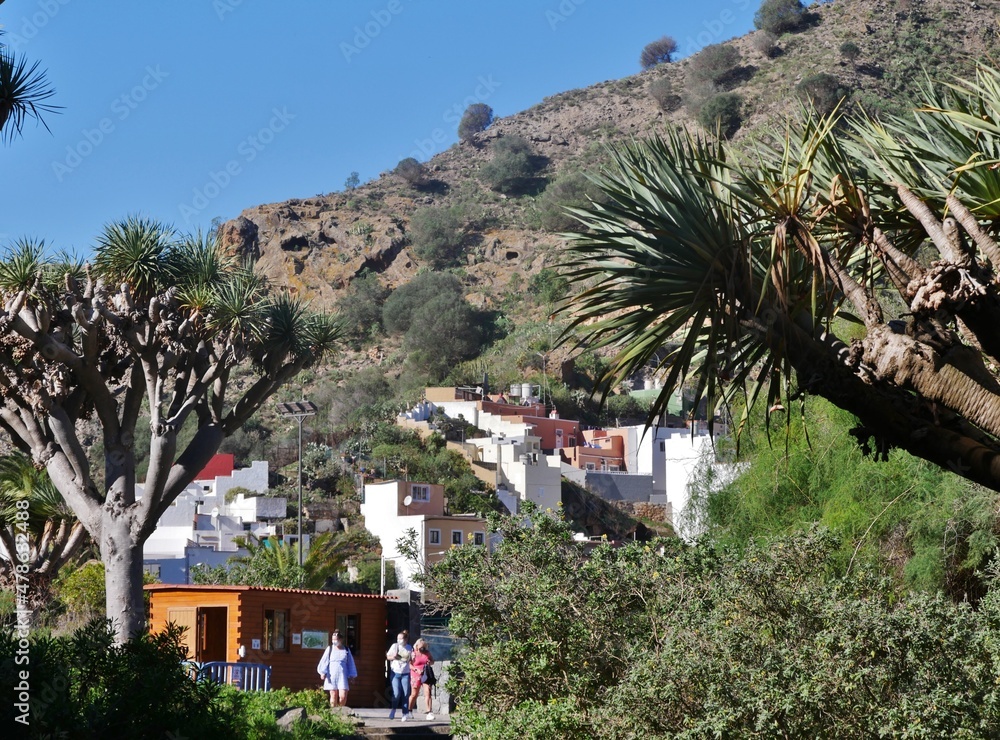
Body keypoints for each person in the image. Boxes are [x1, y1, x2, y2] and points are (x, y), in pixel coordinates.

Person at [317, 631, 357, 710]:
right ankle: (333, 712)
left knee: (343, 696)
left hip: (342, 675)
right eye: (333, 639)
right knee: (333, 694)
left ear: (341, 640)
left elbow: (350, 663)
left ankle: (340, 710)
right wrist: (322, 672)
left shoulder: (346, 650)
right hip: (331, 675)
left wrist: (352, 675)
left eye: (336, 639)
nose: (334, 641)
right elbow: (324, 660)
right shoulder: (330, 649)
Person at [385, 631, 413, 721]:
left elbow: (411, 660)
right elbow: (388, 656)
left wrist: (413, 658)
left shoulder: (409, 648)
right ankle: (393, 709)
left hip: (405, 673)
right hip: (395, 672)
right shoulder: (395, 646)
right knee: (396, 693)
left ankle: (405, 713)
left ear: (405, 639)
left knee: (405, 693)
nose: (399, 640)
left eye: (400, 638)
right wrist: (393, 657)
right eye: (398, 638)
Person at [408, 637, 436, 721]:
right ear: (416, 646)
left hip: (425, 674)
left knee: (428, 692)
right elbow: (409, 665)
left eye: (424, 646)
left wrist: (429, 662)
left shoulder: (427, 653)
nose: (423, 648)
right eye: (421, 646)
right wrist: (415, 669)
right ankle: (409, 710)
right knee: (414, 694)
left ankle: (429, 712)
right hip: (415, 674)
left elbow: (432, 661)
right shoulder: (413, 654)